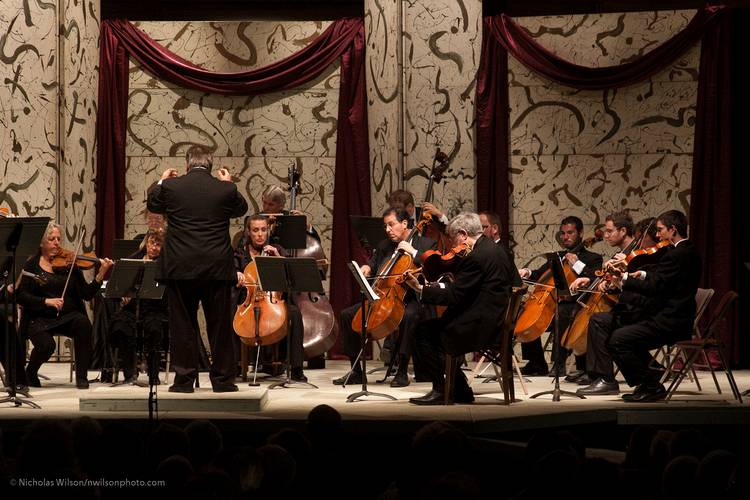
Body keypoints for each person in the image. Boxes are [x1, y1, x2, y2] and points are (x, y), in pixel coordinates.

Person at [147, 145, 248, 393]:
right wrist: (228, 182)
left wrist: (161, 180)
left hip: (180, 266)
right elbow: (241, 209)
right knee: (220, 325)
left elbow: (153, 203)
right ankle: (223, 381)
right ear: (211, 165)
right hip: (216, 267)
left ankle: (184, 381)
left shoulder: (172, 187)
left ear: (187, 164)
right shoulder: (225, 189)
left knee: (182, 325)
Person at [576, 210, 700, 402]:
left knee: (618, 339)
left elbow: (655, 286)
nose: (657, 236)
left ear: (673, 229)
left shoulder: (678, 254)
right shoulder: (683, 251)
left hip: (669, 320)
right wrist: (638, 275)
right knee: (603, 323)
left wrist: (623, 278)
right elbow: (658, 278)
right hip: (663, 314)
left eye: (660, 230)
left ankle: (651, 385)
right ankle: (628, 379)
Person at [403, 212, 515, 404]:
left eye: (452, 239)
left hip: (481, 327)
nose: (451, 246)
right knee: (435, 327)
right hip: (497, 321)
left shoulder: (476, 257)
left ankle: (442, 391)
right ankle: (461, 391)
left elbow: (455, 296)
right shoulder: (498, 250)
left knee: (422, 332)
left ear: (463, 234)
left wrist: (421, 289)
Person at [334, 208, 436, 387]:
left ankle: (402, 371)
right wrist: (367, 268)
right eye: (385, 226)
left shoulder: (427, 244)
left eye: (391, 224)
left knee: (409, 316)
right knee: (347, 315)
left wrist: (413, 252)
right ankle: (356, 371)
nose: (388, 230)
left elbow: (433, 268)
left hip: (413, 297)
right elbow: (373, 266)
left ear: (404, 224)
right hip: (385, 297)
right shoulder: (385, 245)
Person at [16, 223, 114, 389]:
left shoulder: (69, 264)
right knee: (47, 346)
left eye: (58, 239)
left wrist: (101, 273)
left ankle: (82, 377)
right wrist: (46, 301)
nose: (56, 243)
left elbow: (86, 293)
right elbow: (21, 296)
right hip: (39, 317)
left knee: (83, 323)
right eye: (51, 239)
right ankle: (30, 373)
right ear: (41, 243)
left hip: (67, 316)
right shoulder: (31, 264)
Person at [517, 216, 603, 376]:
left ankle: (559, 363)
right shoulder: (557, 256)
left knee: (562, 312)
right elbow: (539, 274)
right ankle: (536, 363)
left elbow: (595, 278)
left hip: (577, 305)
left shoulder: (593, 258)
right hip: (551, 303)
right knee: (524, 312)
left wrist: (576, 265)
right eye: (563, 233)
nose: (566, 237)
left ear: (581, 233)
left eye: (570, 233)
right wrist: (527, 272)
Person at [234, 214, 308, 382]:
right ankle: (234, 365)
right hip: (248, 301)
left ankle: (296, 368)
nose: (260, 234)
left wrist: (278, 259)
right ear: (248, 232)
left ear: (268, 231)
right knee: (229, 312)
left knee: (295, 314)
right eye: (255, 230)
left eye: (263, 230)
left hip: (272, 301)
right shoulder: (239, 253)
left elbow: (290, 278)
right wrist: (236, 273)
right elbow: (232, 272)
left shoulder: (277, 250)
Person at [568, 210, 635, 388]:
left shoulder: (635, 255)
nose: (605, 235)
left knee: (597, 321)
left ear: (623, 231)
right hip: (621, 306)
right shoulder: (619, 255)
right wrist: (591, 280)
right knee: (594, 319)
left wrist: (614, 283)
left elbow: (635, 284)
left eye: (609, 231)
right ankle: (595, 374)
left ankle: (604, 377)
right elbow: (606, 278)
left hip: (633, 309)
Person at [108, 228, 168, 385]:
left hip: (155, 309)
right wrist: (124, 294)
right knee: (121, 326)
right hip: (132, 308)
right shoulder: (133, 260)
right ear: (146, 242)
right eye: (151, 243)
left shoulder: (165, 264)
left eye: (158, 244)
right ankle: (129, 373)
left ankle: (153, 375)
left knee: (154, 328)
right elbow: (120, 285)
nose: (154, 247)